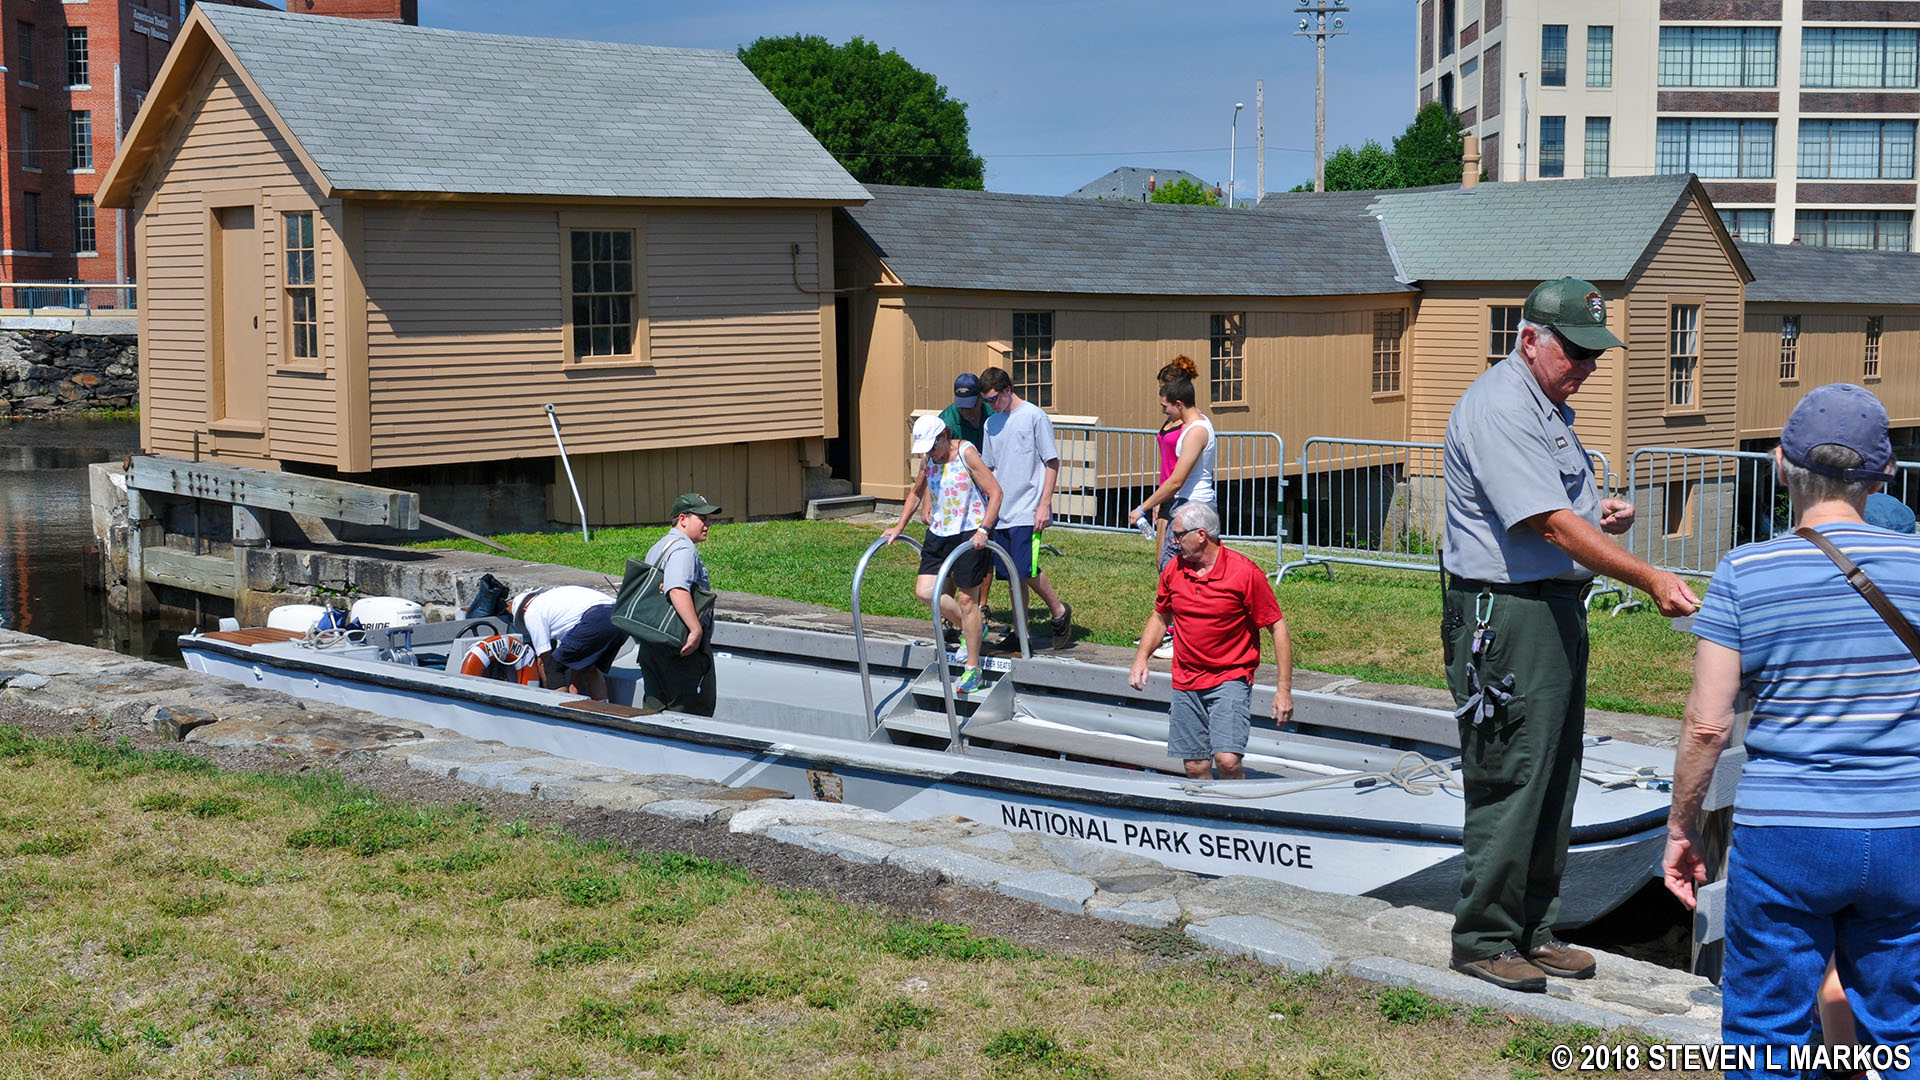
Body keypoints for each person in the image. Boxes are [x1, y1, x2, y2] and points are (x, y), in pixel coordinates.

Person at [1441, 276, 1699, 993]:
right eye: (1576, 352)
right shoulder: (1501, 406)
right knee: (1513, 774)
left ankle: (1532, 929)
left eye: (1595, 354)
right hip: (1507, 614)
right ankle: (1485, 937)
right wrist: (1646, 576)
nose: (1588, 365)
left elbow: (1563, 512)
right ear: (1529, 340)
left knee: (1555, 773)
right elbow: (1547, 525)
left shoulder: (1547, 405)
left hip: (1550, 605)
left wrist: (1598, 516)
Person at [1664, 385, 1920, 1078]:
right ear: (1880, 476)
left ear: (1781, 464)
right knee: (1905, 1029)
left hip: (1787, 832)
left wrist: (1682, 827)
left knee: (1765, 1031)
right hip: (1907, 831)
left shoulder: (1745, 571)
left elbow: (1709, 725)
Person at [1127, 503, 1293, 779]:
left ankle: (1238, 814)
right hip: (1186, 679)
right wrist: (1140, 659)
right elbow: (1160, 617)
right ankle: (1208, 815)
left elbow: (1277, 627)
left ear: (1201, 535)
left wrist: (1283, 689)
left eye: (1178, 535)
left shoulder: (1243, 573)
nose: (1173, 540)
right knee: (1195, 766)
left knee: (1227, 761)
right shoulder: (1174, 570)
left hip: (1230, 677)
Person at [880, 415, 1004, 693]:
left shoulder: (965, 453)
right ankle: (972, 628)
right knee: (926, 591)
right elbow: (915, 493)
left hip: (970, 530)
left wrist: (985, 528)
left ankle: (973, 669)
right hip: (939, 531)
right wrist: (898, 527)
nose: (930, 454)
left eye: (932, 448)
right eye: (925, 450)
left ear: (944, 437)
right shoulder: (928, 460)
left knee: (966, 598)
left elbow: (995, 492)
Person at [977, 366, 1073, 648]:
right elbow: (990, 466)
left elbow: (1051, 462)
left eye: (994, 399)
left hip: (1028, 508)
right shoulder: (990, 424)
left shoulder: (1033, 416)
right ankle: (1022, 634)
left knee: (1026, 568)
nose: (991, 405)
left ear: (1008, 390)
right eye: (986, 401)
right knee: (1011, 573)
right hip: (1002, 510)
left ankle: (1059, 611)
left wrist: (1044, 504)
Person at [635, 492, 720, 716]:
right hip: (679, 648)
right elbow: (677, 588)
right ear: (683, 519)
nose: (708, 524)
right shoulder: (683, 549)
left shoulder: (659, 546)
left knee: (655, 709)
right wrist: (695, 629)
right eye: (702, 518)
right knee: (691, 712)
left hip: (653, 643)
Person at [1127, 371, 1218, 570]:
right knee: (1174, 567)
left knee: (1173, 567)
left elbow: (1176, 480)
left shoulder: (1196, 431)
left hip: (1194, 506)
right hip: (1183, 502)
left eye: (1165, 407)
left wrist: (1142, 508)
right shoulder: (1188, 426)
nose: (1163, 412)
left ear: (1179, 404)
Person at [512, 584, 622, 701]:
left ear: (523, 610)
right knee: (590, 668)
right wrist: (574, 687)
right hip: (620, 617)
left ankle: (559, 708)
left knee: (553, 667)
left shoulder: (532, 612)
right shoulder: (554, 601)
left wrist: (546, 691)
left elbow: (543, 660)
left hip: (595, 619)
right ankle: (603, 710)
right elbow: (578, 658)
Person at [940, 372, 996, 448]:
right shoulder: (945, 422)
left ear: (981, 398)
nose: (965, 412)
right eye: (961, 407)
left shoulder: (994, 415)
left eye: (970, 407)